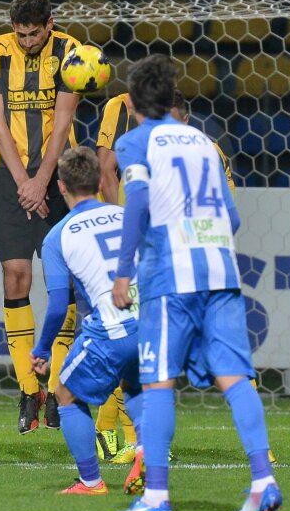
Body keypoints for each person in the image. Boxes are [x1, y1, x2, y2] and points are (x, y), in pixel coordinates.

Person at [110, 55, 281, 511]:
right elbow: (235, 215)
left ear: (132, 102)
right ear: (171, 99)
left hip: (171, 275)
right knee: (233, 375)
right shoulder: (205, 142)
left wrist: (123, 272)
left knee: (158, 380)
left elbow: (137, 204)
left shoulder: (135, 142)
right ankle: (264, 481)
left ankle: (156, 497)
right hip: (221, 269)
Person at [94, 88, 238, 462]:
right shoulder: (142, 149)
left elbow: (228, 214)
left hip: (180, 264)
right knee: (137, 348)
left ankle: (260, 453)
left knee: (171, 356)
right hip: (146, 259)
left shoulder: (207, 151)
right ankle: (123, 437)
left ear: (186, 121)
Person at [0, 0, 80, 435]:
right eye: (19, 34)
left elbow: (62, 122)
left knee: (65, 283)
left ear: (50, 25)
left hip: (61, 178)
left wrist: (43, 180)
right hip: (12, 177)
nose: (26, 42)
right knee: (15, 276)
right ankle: (27, 387)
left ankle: (59, 388)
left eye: (34, 34)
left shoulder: (71, 52)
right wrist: (24, 181)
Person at [28, 147, 143, 495]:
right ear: (99, 182)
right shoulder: (126, 216)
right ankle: (146, 453)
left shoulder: (58, 236)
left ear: (61, 187)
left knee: (65, 395)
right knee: (136, 386)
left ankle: (91, 482)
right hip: (150, 323)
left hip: (110, 329)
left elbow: (58, 304)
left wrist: (42, 348)